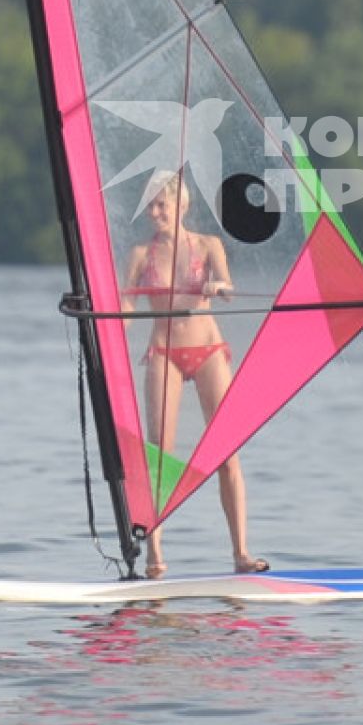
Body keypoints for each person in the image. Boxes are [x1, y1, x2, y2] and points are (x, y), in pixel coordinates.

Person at [122, 172, 269, 579]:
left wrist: (218, 286)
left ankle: (241, 553)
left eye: (161, 205)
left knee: (226, 452)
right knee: (158, 455)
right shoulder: (140, 255)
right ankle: (154, 557)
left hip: (207, 351)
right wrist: (116, 327)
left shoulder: (208, 245)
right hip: (164, 353)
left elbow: (226, 285)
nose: (154, 213)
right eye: (150, 206)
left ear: (181, 205)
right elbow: (128, 304)